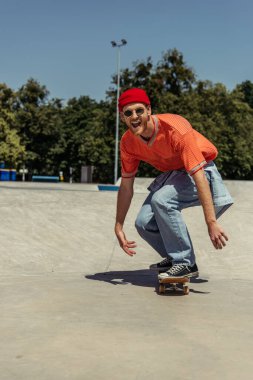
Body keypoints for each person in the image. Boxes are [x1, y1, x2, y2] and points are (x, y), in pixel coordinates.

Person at [114, 88, 233, 279]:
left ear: (149, 110)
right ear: (123, 117)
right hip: (174, 175)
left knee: (162, 200)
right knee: (143, 223)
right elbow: (126, 185)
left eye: (139, 111)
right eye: (128, 113)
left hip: (201, 172)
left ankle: (185, 263)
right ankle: (173, 256)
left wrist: (211, 222)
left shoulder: (175, 129)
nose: (134, 117)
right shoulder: (128, 143)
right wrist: (118, 225)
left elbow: (199, 176)